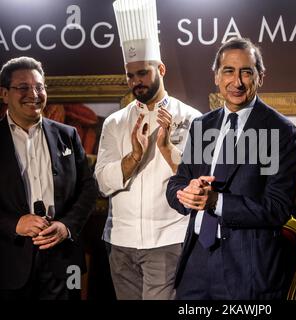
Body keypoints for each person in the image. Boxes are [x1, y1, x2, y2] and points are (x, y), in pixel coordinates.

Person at [166, 37, 296, 300]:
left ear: (260, 77)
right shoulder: (203, 126)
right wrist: (186, 193)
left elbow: (277, 208)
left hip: (247, 270)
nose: (236, 82)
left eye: (246, 72)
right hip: (196, 265)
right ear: (216, 76)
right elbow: (177, 183)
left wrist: (216, 201)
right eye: (228, 71)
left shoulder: (279, 131)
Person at [94, 0, 201, 300]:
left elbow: (195, 179)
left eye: (142, 73)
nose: (135, 82)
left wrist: (165, 148)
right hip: (120, 240)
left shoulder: (191, 118)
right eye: (130, 75)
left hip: (168, 238)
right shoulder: (115, 122)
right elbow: (102, 182)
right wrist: (134, 157)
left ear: (161, 69)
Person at [0, 56, 96, 299]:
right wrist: (14, 224)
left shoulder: (68, 135)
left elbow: (88, 188)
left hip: (65, 261)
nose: (33, 93)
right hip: (9, 262)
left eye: (39, 87)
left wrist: (67, 226)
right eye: (23, 87)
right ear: (4, 94)